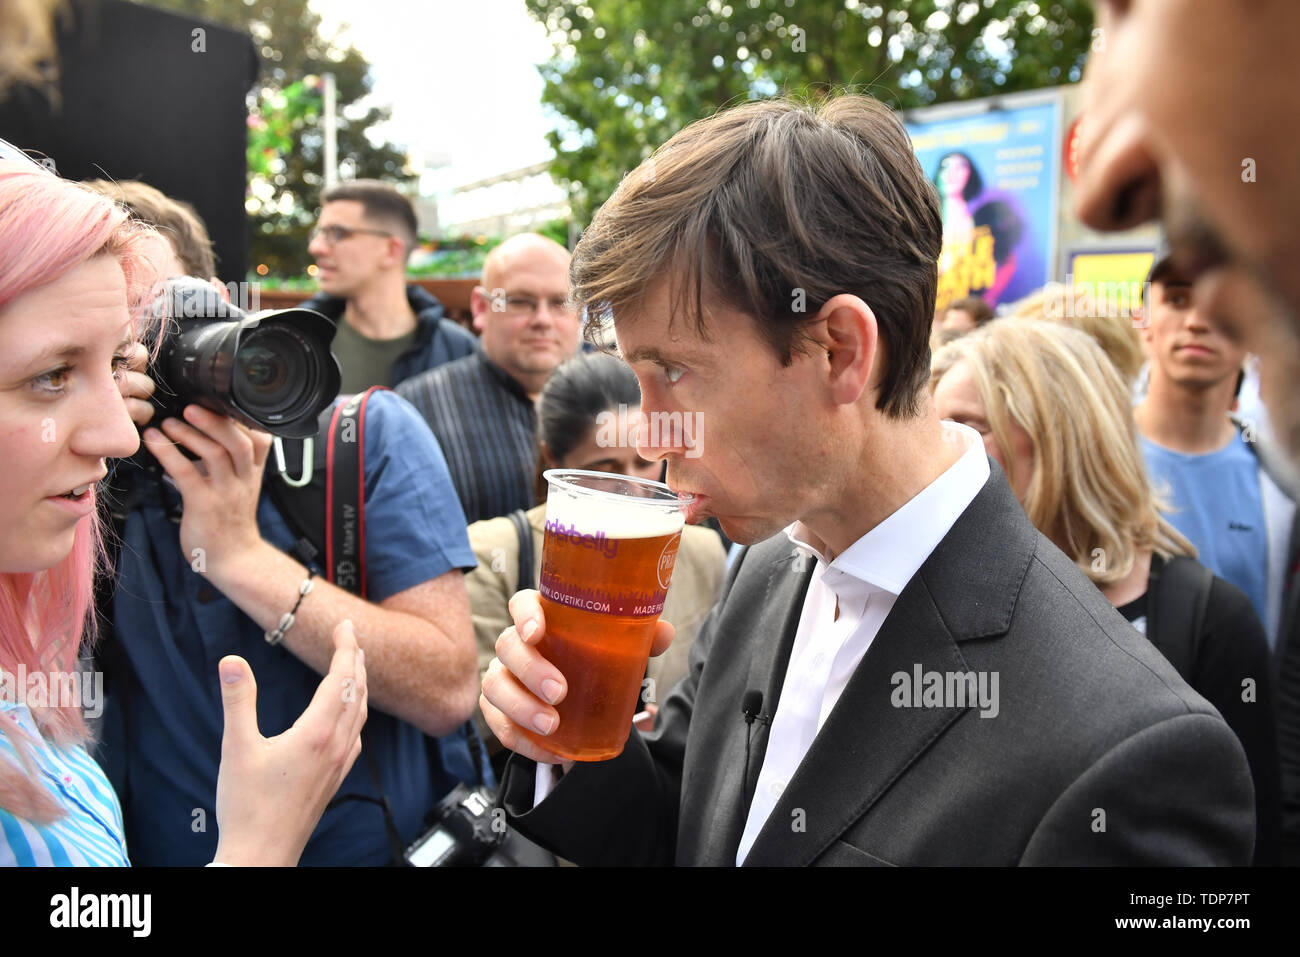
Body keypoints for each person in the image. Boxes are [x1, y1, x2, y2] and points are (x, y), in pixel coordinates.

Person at [478, 95, 1254, 866]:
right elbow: (682, 828)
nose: (650, 433)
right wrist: (566, 729)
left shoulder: (1128, 749)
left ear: (840, 349)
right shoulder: (770, 568)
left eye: (673, 371)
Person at [89, 183, 482, 866]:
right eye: (116, 336)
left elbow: (447, 687)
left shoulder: (366, 438)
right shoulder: (74, 479)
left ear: (216, 297)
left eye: (165, 314)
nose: (151, 348)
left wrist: (242, 557)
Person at [0, 154, 366, 866]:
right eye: (52, 376)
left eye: (116, 364)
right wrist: (258, 847)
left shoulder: (364, 440)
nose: (114, 434)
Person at [1076, 0, 1300, 873]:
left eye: (1131, 11)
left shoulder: (1274, 484)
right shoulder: (1085, 462)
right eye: (1166, 296)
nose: (1100, 188)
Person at [931, 318, 1282, 864]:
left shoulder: (1210, 619)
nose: (938, 450)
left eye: (966, 425)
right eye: (932, 426)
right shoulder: (930, 593)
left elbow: (1258, 845)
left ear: (1062, 435)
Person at [464, 353, 726, 767]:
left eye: (643, 463)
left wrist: (668, 735)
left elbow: (714, 695)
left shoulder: (702, 552)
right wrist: (518, 697)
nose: (633, 486)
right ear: (556, 460)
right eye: (606, 470)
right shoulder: (492, 550)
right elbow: (473, 722)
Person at [1129, 251, 1296, 647]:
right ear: (1143, 322)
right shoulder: (1091, 458)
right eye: (1177, 299)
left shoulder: (1282, 481)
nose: (1198, 322)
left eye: (1223, 307)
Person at [397, 233, 582, 524]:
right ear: (481, 308)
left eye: (560, 302)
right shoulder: (415, 409)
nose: (543, 319)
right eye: (520, 301)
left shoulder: (620, 400)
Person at [301, 179, 476, 393]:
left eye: (337, 234)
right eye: (318, 233)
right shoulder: (297, 339)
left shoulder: (459, 350)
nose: (315, 247)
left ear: (391, 250)